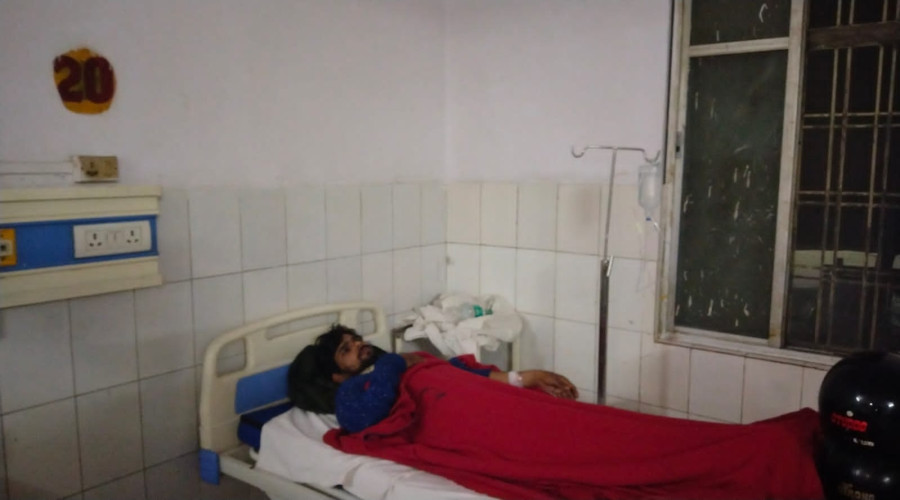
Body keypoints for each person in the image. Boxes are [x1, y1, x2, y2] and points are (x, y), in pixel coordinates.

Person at [300, 324, 578, 433]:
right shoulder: (349, 392)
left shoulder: (407, 360)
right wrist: (392, 362)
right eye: (346, 350)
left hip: (478, 400)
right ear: (337, 375)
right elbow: (371, 413)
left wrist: (527, 377)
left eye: (356, 339)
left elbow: (459, 376)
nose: (358, 345)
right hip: (463, 422)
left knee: (560, 418)